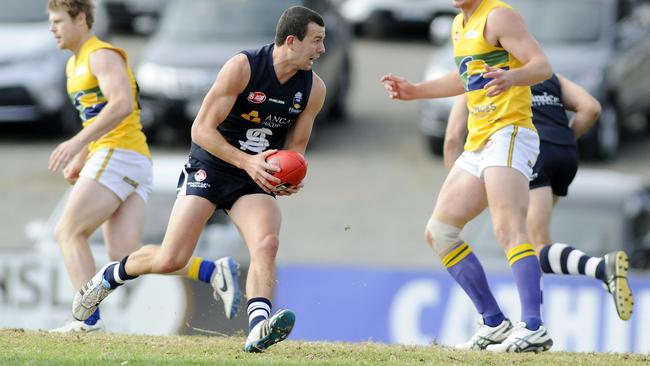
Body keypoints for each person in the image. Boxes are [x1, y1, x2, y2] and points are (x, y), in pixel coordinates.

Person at [71, 5, 327, 352]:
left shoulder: (313, 89)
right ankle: (107, 277)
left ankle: (256, 330)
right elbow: (201, 130)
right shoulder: (244, 67)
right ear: (292, 41)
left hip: (256, 176)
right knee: (171, 259)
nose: (322, 50)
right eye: (316, 41)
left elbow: (296, 149)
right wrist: (245, 161)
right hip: (213, 164)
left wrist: (289, 176)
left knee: (266, 243)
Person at [46, 0, 241, 333]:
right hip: (126, 158)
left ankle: (86, 319)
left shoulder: (101, 54)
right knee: (124, 255)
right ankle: (211, 271)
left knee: (68, 231)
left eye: (58, 20)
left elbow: (122, 105)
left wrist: (78, 143)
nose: (53, 28)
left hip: (118, 153)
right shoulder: (73, 64)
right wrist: (82, 156)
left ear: (81, 19)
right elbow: (98, 114)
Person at [382, 0, 554, 353]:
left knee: (507, 227)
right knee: (440, 233)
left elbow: (542, 66)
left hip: (509, 132)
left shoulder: (499, 15)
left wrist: (512, 76)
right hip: (479, 142)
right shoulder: (460, 23)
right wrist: (416, 90)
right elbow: (465, 79)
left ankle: (534, 327)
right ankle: (493, 322)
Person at [445, 74, 634, 321]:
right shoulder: (545, 73)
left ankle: (599, 268)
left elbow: (452, 138)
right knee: (534, 245)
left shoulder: (477, 74)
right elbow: (591, 108)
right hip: (565, 154)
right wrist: (564, 141)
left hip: (529, 153)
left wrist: (460, 191)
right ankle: (535, 320)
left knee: (529, 246)